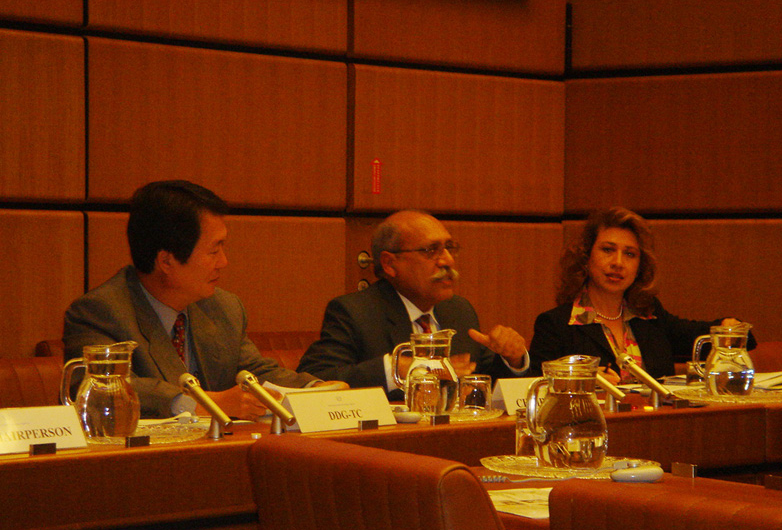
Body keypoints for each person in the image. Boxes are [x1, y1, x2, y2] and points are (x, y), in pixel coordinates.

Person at [63, 180, 346, 420]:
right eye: (214, 251)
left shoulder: (223, 307)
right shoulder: (100, 312)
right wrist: (204, 404)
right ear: (166, 261)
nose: (224, 262)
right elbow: (102, 390)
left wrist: (314, 389)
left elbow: (254, 371)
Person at [297, 210, 529, 400]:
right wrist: (396, 370)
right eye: (430, 250)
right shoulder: (355, 312)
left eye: (449, 248)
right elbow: (315, 378)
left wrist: (512, 360)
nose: (447, 260)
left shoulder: (458, 310)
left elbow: (481, 382)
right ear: (389, 264)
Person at [529, 206, 755, 382]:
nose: (618, 263)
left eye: (629, 254)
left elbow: (709, 340)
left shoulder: (650, 316)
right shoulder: (555, 326)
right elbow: (535, 387)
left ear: (640, 266)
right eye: (608, 250)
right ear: (586, 258)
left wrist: (730, 327)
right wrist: (580, 381)